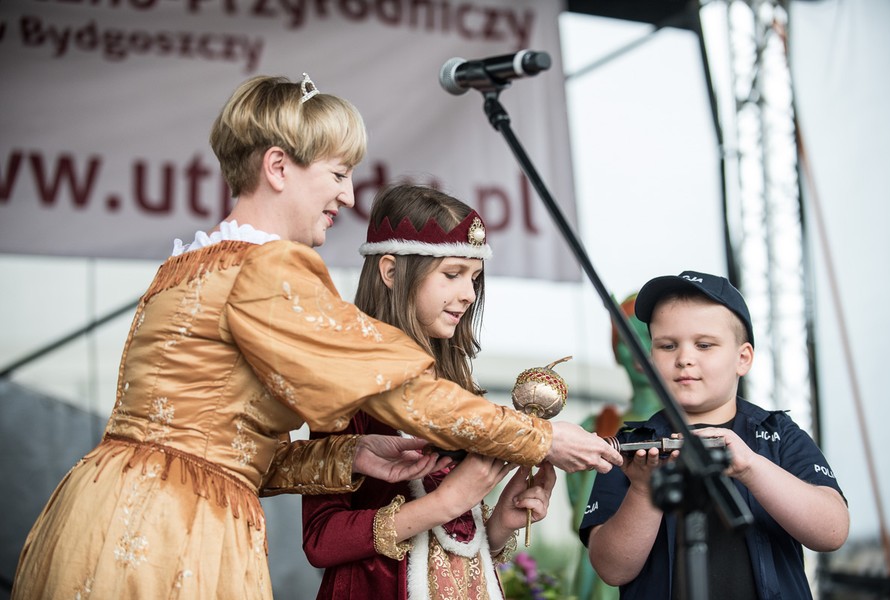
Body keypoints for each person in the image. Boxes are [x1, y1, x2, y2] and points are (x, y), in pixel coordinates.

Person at [11, 75, 620, 599]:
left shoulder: (186, 267)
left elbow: (219, 444)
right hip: (176, 522)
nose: (347, 196)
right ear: (278, 167)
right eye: (338, 174)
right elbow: (400, 393)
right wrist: (540, 437)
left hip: (108, 502)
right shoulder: (268, 266)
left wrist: (349, 456)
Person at [302, 184, 557, 599]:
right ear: (390, 272)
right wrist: (445, 503)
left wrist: (499, 523)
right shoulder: (348, 379)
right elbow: (320, 538)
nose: (468, 294)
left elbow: (455, 542)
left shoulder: (457, 385)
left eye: (474, 278)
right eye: (452, 274)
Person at [579, 270, 849, 599]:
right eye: (667, 346)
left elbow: (833, 532)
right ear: (650, 359)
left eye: (704, 345)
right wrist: (643, 490)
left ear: (742, 358)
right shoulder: (630, 445)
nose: (684, 359)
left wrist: (752, 467)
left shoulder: (777, 434)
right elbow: (611, 569)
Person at [567, 293, 659, 600]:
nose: (638, 349)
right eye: (627, 339)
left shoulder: (691, 428)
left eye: (649, 337)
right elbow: (579, 516)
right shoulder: (594, 427)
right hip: (597, 576)